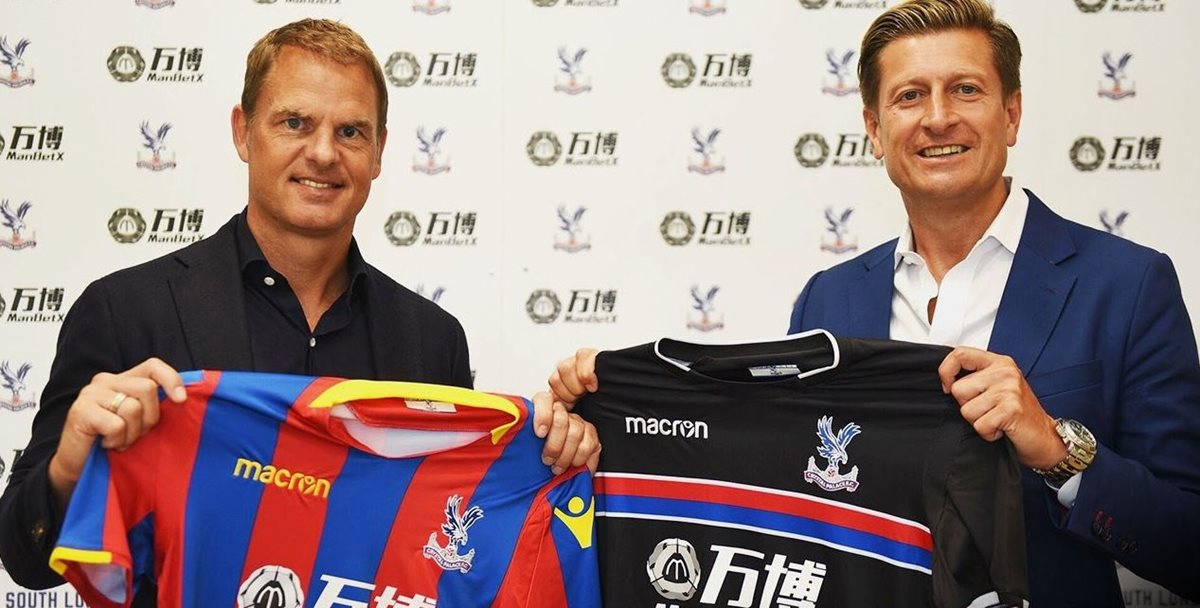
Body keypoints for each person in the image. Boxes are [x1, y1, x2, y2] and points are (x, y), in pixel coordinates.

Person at [549, 1, 1200, 605]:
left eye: (965, 89)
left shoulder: (1128, 286)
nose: (938, 116)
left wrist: (1055, 448)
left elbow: (1188, 544)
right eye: (910, 96)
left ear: (1012, 114)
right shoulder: (827, 299)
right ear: (875, 128)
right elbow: (773, 498)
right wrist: (603, 429)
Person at [0, 19, 596, 604]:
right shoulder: (126, 311)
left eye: (351, 132)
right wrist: (71, 463)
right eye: (295, 123)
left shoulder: (431, 339)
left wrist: (554, 451)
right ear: (243, 132)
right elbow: (24, 558)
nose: (323, 153)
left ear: (380, 151)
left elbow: (449, 542)